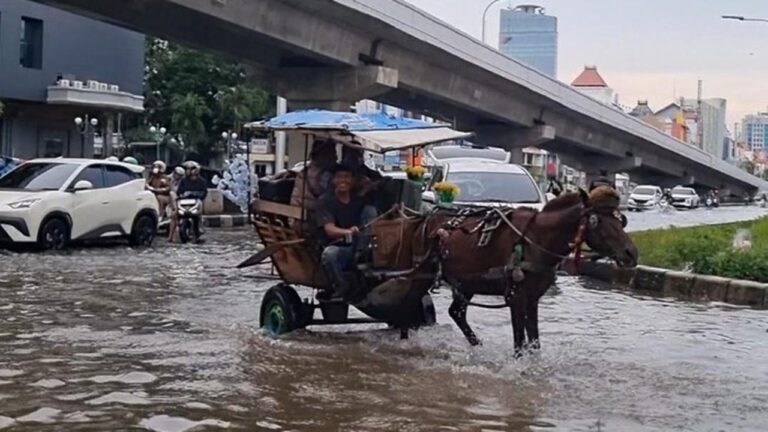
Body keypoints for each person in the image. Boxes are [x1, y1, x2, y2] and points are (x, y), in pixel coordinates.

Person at [316, 164, 378, 299]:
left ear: (353, 180)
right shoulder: (325, 201)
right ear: (333, 180)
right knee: (329, 254)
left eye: (347, 177)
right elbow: (329, 229)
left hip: (360, 247)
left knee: (371, 211)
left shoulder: (359, 200)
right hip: (340, 247)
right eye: (339, 177)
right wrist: (347, 231)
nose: (343, 180)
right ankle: (340, 286)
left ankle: (362, 260)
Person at [288, 140, 337, 229]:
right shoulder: (319, 174)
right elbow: (324, 197)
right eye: (332, 154)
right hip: (305, 220)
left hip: (300, 216)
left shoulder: (306, 170)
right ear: (321, 155)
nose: (336, 158)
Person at [177, 162, 208, 239]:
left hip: (196, 201)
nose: (189, 171)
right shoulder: (184, 181)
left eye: (191, 169)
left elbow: (204, 193)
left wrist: (194, 194)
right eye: (188, 169)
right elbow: (179, 191)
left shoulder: (201, 181)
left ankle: (199, 229)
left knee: (197, 216)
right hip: (185, 202)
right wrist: (182, 195)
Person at [167, 166, 185, 242]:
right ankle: (170, 236)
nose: (178, 177)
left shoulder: (183, 181)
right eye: (178, 174)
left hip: (180, 201)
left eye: (180, 175)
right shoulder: (168, 179)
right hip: (169, 201)